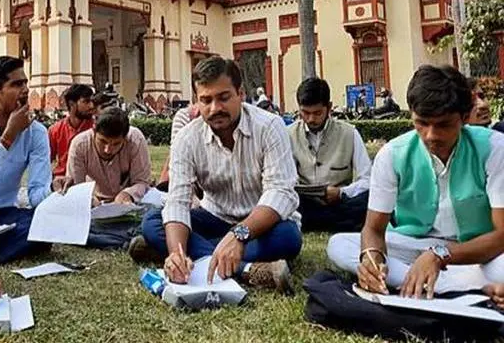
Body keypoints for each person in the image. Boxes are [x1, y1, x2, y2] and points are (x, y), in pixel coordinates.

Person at [327, 65, 504, 302]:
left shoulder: (494, 148)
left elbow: (501, 235)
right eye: (421, 123)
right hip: (415, 246)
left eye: (442, 125)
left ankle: (426, 284)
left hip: (478, 251)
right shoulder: (392, 155)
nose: (431, 135)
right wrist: (372, 260)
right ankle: (467, 289)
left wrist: (441, 255)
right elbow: (373, 229)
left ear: (464, 118)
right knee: (340, 244)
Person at [140, 57, 302, 292]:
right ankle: (249, 270)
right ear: (197, 101)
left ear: (241, 94)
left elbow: (281, 193)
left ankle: (196, 253)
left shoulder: (269, 127)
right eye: (206, 100)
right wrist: (177, 253)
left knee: (288, 237)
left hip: (261, 224)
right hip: (215, 217)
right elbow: (177, 201)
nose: (215, 108)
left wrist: (239, 235)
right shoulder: (187, 138)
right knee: (153, 222)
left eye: (223, 98)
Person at [0, 56, 52, 263]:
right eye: (16, 84)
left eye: (25, 83)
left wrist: (54, 191)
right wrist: (8, 138)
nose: (25, 90)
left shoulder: (37, 133)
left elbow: (35, 195)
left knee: (42, 226)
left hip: (6, 214)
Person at [289, 78, 371, 233]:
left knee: (371, 198)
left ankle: (320, 223)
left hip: (340, 202)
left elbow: (368, 179)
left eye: (317, 113)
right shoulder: (288, 135)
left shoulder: (349, 133)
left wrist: (341, 193)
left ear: (329, 107)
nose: (311, 119)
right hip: (304, 204)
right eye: (305, 113)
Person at [62, 107, 151, 249]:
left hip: (129, 207)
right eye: (103, 141)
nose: (108, 150)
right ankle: (128, 240)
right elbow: (75, 189)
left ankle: (124, 239)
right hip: (96, 206)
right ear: (93, 131)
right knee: (74, 225)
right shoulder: (80, 144)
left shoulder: (135, 139)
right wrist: (89, 200)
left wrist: (127, 194)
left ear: (125, 138)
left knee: (151, 219)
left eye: (116, 144)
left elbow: (142, 181)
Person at [49, 84, 95, 190]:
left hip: (88, 184)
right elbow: (46, 162)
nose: (91, 106)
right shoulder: (55, 130)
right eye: (86, 101)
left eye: (92, 101)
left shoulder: (96, 129)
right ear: (72, 104)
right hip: (61, 182)